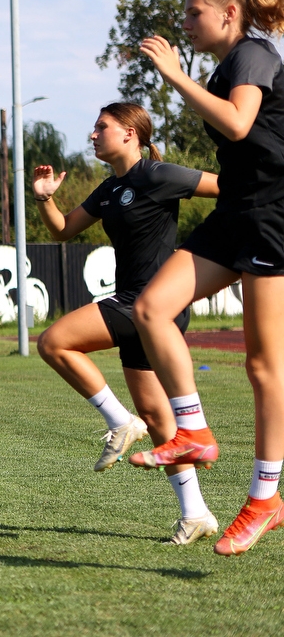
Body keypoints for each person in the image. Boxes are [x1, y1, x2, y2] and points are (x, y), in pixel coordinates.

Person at [132, 0, 284, 556]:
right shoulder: (231, 63)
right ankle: (193, 430)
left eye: (194, 13)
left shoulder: (253, 54)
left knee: (265, 365)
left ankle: (265, 499)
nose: (186, 23)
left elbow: (241, 124)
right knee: (151, 308)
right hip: (236, 212)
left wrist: (174, 75)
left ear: (230, 13)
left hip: (271, 216)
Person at [33, 102, 220, 545]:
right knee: (159, 419)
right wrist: (44, 198)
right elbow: (62, 230)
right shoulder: (109, 188)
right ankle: (196, 514)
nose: (93, 134)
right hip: (135, 307)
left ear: (130, 134)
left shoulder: (157, 174)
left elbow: (232, 189)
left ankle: (119, 421)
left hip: (152, 306)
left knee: (54, 342)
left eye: (102, 127)